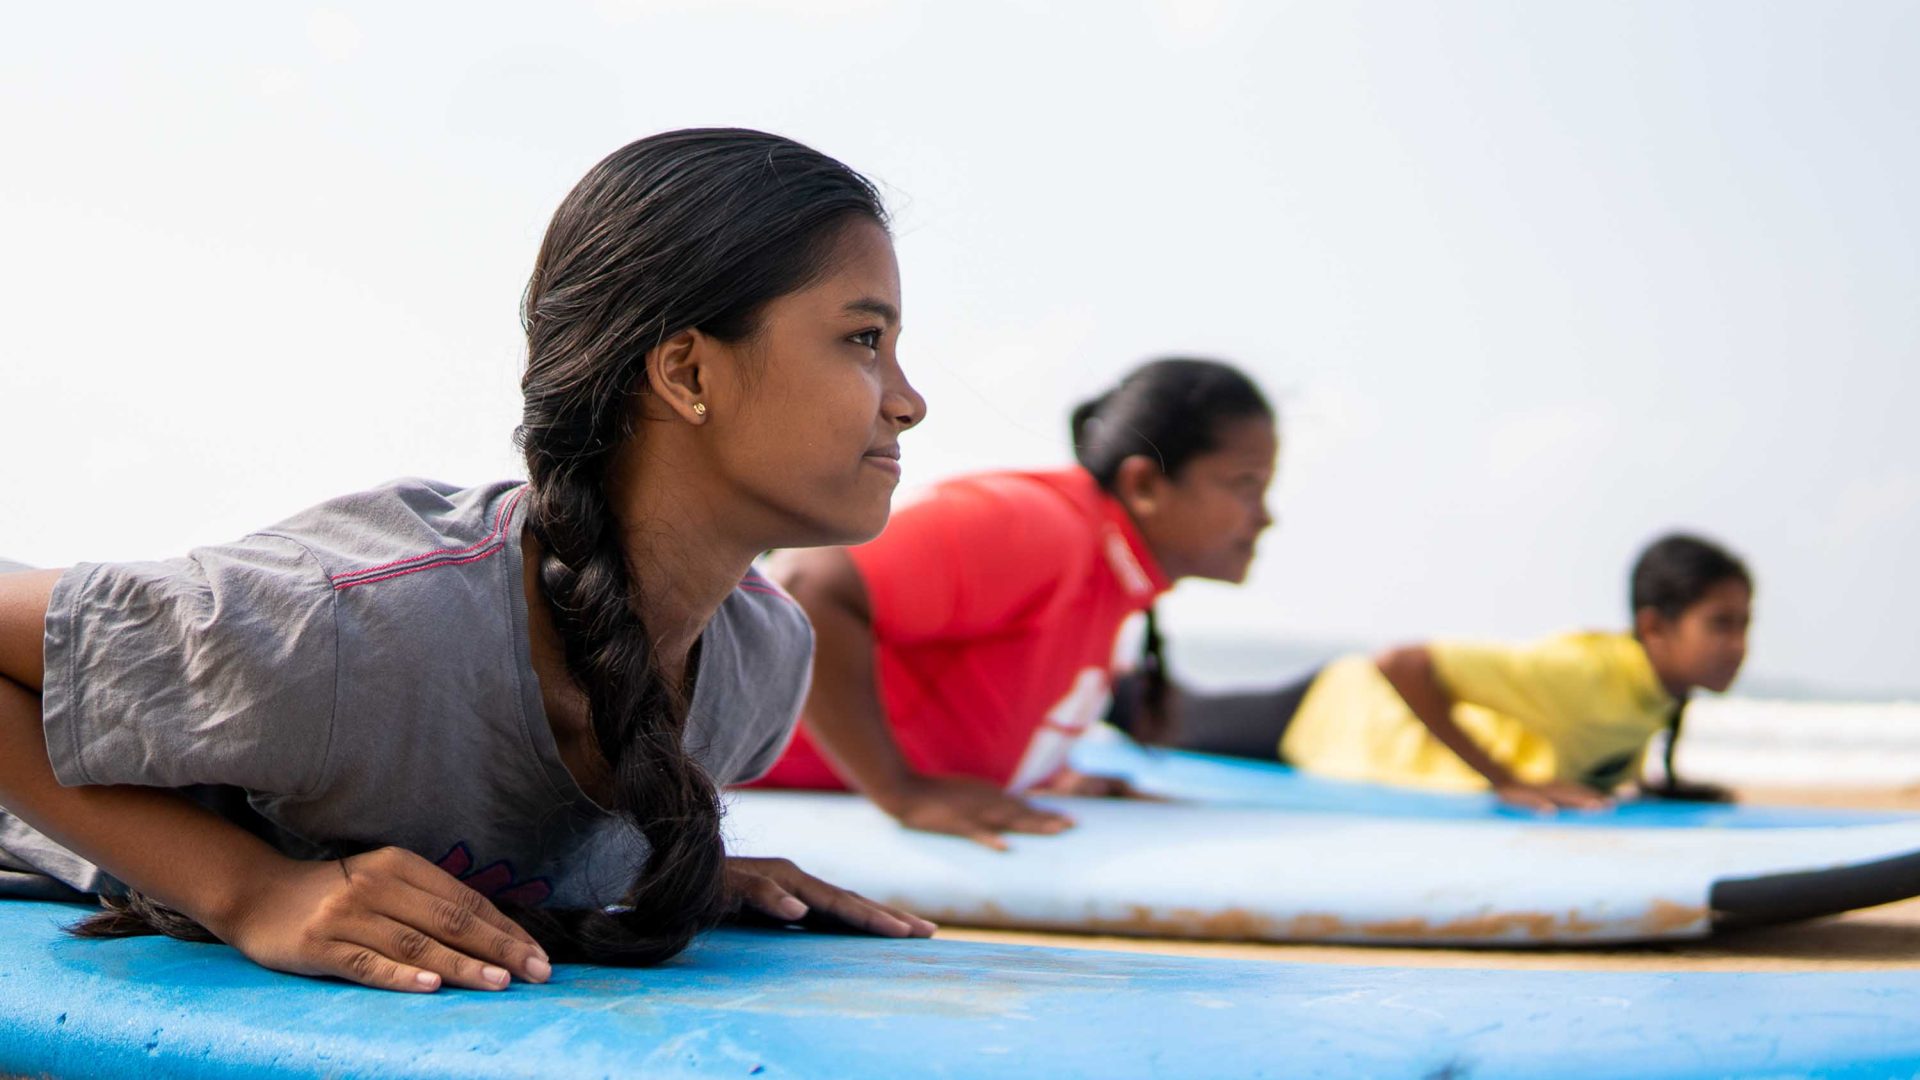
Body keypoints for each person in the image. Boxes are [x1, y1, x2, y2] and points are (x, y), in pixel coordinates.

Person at [0, 128, 936, 994]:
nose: (908, 401)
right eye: (863, 339)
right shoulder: (363, 627)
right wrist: (251, 890)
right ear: (688, 372)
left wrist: (674, 872)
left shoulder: (761, 667)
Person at [751, 358, 1278, 847]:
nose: (1264, 516)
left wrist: (1047, 775)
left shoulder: (1111, 579)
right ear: (1143, 483)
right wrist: (899, 791)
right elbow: (808, 580)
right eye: (1246, 485)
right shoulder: (1046, 527)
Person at [1116, 533, 1752, 812]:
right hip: (1338, 714)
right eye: (1720, 624)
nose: (1739, 644)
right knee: (1163, 718)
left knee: (1171, 709)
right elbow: (1404, 661)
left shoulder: (1657, 691)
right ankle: (1088, 684)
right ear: (1654, 628)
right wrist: (1505, 781)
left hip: (1350, 723)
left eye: (1744, 623)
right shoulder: (1584, 674)